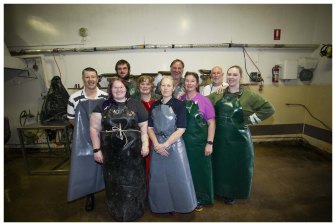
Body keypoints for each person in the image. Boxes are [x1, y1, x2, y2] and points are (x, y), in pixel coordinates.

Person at [208, 65, 275, 205]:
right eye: (229, 74)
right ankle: (219, 189)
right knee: (220, 165)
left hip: (239, 140)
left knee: (236, 166)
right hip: (220, 138)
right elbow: (201, 102)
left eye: (235, 75)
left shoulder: (249, 95)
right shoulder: (218, 94)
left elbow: (269, 109)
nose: (231, 77)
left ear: (240, 77)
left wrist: (250, 120)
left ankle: (232, 192)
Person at [89, 78, 149, 221]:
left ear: (126, 89)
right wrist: (96, 150)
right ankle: (116, 212)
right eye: (115, 88)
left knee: (134, 183)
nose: (118, 90)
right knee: (114, 183)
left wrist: (145, 144)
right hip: (111, 155)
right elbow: (94, 129)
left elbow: (144, 128)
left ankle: (135, 210)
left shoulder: (136, 105)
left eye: (121, 87)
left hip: (133, 154)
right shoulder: (102, 106)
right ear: (110, 90)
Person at [148, 75, 197, 213]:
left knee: (178, 178)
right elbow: (149, 128)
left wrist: (166, 144)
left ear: (173, 88)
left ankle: (181, 205)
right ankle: (162, 206)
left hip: (174, 146)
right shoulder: (154, 105)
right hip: (157, 146)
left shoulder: (179, 105)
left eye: (168, 85)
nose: (165, 88)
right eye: (163, 85)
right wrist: (157, 145)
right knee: (159, 179)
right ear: (159, 87)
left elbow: (181, 129)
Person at [67, 67, 108, 212]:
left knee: (106, 166)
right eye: (87, 77)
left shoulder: (106, 96)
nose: (90, 80)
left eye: (93, 77)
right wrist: (85, 132)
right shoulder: (74, 98)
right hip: (83, 139)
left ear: (97, 78)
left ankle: (109, 193)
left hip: (104, 138)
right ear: (83, 79)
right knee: (87, 167)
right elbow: (71, 119)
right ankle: (89, 195)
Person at [179, 72, 216, 211]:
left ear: (197, 83)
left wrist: (209, 143)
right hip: (183, 144)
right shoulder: (180, 99)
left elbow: (211, 123)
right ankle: (186, 198)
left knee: (200, 173)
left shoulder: (204, 100)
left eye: (192, 81)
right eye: (187, 81)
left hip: (200, 145)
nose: (189, 83)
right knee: (185, 172)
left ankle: (201, 199)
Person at [131, 75, 160, 188]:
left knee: (155, 165)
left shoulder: (158, 99)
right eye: (142, 84)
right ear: (138, 86)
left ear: (152, 86)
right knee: (141, 165)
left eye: (148, 84)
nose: (145, 86)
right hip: (139, 138)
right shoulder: (133, 100)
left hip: (156, 136)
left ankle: (154, 189)